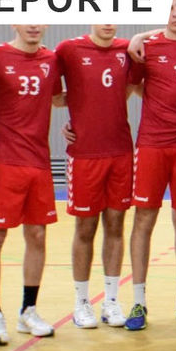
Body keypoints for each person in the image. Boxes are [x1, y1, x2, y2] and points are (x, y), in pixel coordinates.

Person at [0, 25, 62, 342]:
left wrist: (82, 125)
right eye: (26, 18)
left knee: (37, 235)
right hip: (2, 160)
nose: (34, 25)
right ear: (14, 22)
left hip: (38, 160)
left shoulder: (52, 59)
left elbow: (61, 98)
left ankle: (28, 311)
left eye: (39, 19)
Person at [123, 0, 176, 330]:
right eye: (168, 8)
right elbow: (133, 88)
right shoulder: (147, 48)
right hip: (153, 145)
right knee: (144, 218)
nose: (175, 13)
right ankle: (138, 302)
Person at [55, 25, 133, 330]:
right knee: (85, 227)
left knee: (115, 224)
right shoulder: (68, 49)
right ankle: (81, 302)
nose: (107, 21)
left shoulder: (127, 50)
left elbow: (126, 90)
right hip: (85, 154)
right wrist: (72, 109)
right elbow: (50, 94)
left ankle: (111, 300)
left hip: (120, 152)